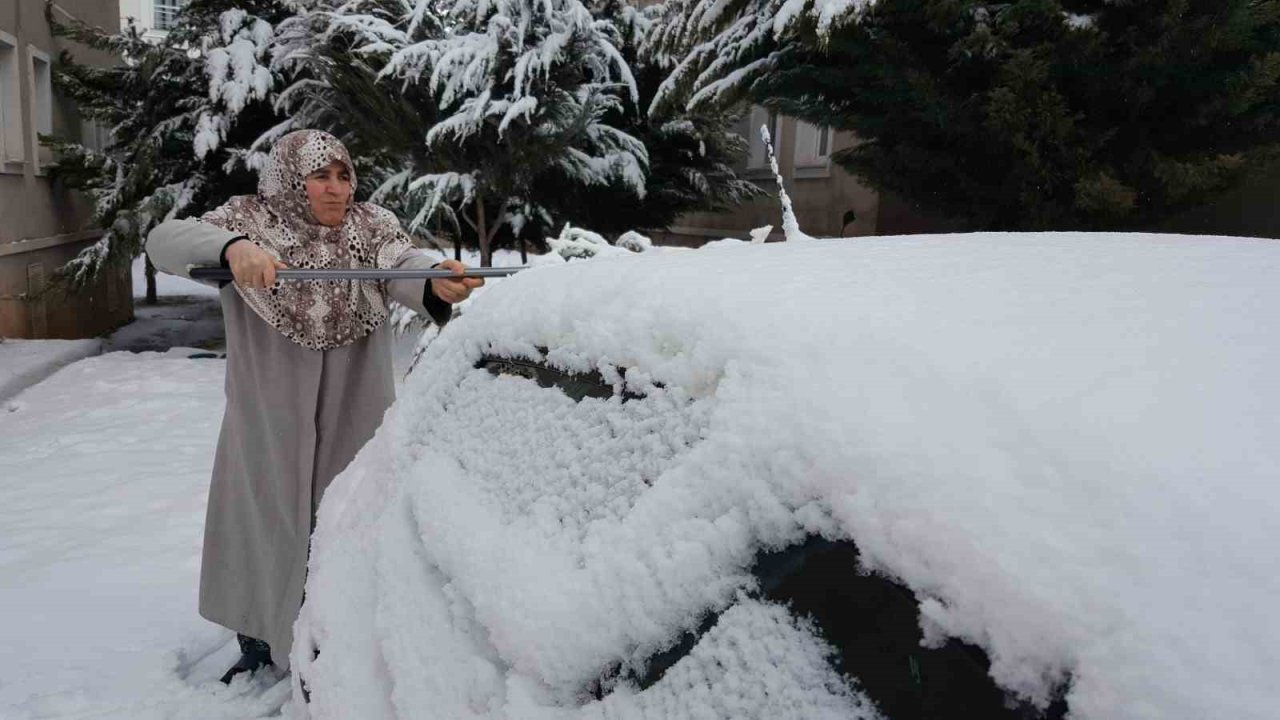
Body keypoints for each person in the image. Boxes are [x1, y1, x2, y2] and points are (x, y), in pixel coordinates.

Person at [145, 129, 482, 683]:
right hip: (269, 413)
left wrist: (433, 280)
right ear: (289, 180)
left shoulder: (369, 228)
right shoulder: (247, 221)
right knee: (263, 520)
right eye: (320, 176)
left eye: (343, 176)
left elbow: (403, 258)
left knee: (347, 519)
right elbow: (165, 240)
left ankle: (336, 637)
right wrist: (231, 250)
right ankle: (256, 638)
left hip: (356, 403)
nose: (336, 190)